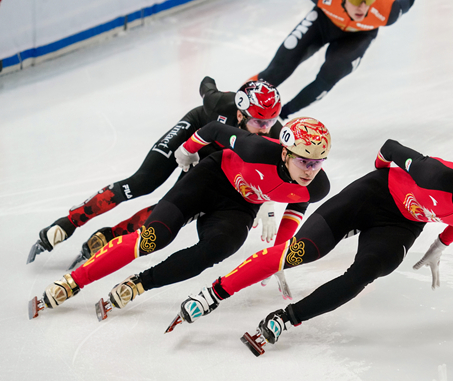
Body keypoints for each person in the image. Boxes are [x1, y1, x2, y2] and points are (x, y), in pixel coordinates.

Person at [174, 139, 453, 355]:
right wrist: (378, 178)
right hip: (370, 196)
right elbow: (390, 148)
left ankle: (286, 319)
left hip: (399, 225)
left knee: (365, 274)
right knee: (301, 252)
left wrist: (441, 244)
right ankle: (213, 294)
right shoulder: (431, 174)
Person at [29, 117, 332, 318]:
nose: (310, 170)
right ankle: (74, 281)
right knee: (151, 239)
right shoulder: (255, 148)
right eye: (304, 161)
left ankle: (140, 284)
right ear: (285, 154)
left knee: (218, 249)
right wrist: (188, 151)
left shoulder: (318, 185)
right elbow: (213, 129)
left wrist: (277, 253)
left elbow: (298, 205)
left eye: (318, 163)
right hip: (208, 181)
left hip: (237, 208)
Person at [27, 78, 284, 265]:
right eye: (259, 122)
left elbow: (272, 173)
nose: (265, 129)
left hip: (213, 157)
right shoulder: (219, 104)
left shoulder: (272, 134)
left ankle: (109, 237)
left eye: (271, 121)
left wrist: (268, 207)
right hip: (191, 134)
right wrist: (190, 144)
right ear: (239, 113)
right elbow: (206, 83)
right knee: (143, 182)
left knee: (172, 206)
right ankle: (69, 222)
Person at [251, 0, 416, 120]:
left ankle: (282, 114)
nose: (362, 8)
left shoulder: (388, 10)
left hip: (358, 36)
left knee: (330, 75)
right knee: (277, 70)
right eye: (357, 0)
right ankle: (239, 103)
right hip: (323, 22)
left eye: (370, 0)